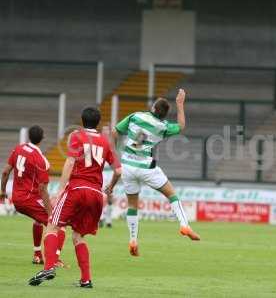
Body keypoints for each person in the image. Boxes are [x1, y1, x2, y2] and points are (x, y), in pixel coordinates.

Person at [28, 107, 121, 288]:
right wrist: (110, 187)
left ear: (82, 120)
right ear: (98, 122)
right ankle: (86, 280)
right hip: (96, 193)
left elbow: (70, 162)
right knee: (78, 236)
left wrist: (60, 190)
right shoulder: (106, 142)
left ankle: (48, 267)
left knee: (52, 226)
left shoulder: (76, 136)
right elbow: (118, 171)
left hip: (77, 188)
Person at [112, 88, 200, 257]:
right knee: (172, 194)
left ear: (152, 108)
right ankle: (184, 225)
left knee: (132, 205)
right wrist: (180, 104)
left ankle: (133, 240)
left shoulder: (135, 116)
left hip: (128, 167)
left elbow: (115, 132)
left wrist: (115, 154)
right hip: (146, 167)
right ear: (164, 115)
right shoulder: (162, 126)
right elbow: (181, 126)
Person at [0, 125, 65, 265]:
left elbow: (5, 172)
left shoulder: (18, 149)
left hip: (16, 199)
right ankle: (55, 259)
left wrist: (2, 191)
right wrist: (50, 212)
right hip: (29, 198)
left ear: (29, 136)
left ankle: (37, 255)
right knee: (57, 223)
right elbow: (43, 188)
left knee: (38, 220)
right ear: (42, 139)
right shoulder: (39, 158)